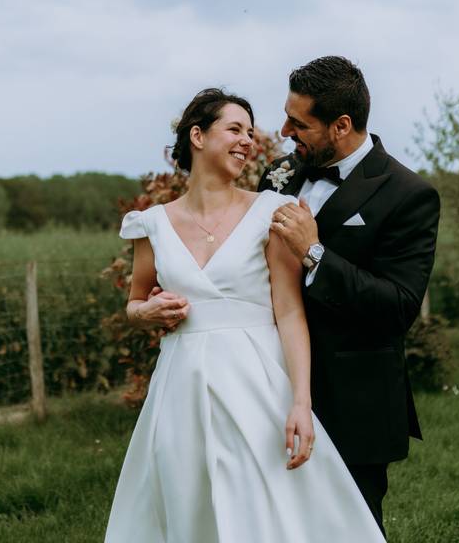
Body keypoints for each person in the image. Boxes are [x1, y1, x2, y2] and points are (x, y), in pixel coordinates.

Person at [103, 88, 385, 542]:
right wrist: (147, 311)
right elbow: (134, 304)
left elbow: (290, 313)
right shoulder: (151, 224)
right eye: (234, 129)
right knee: (187, 507)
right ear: (197, 135)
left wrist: (300, 402)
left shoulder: (272, 212)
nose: (247, 141)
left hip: (257, 386)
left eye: (250, 133)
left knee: (262, 513)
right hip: (180, 389)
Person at [256, 55, 440, 534]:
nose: (284, 131)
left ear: (341, 125)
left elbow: (397, 307)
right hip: (270, 387)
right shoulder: (277, 176)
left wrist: (314, 253)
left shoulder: (408, 195)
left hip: (355, 402)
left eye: (299, 123)